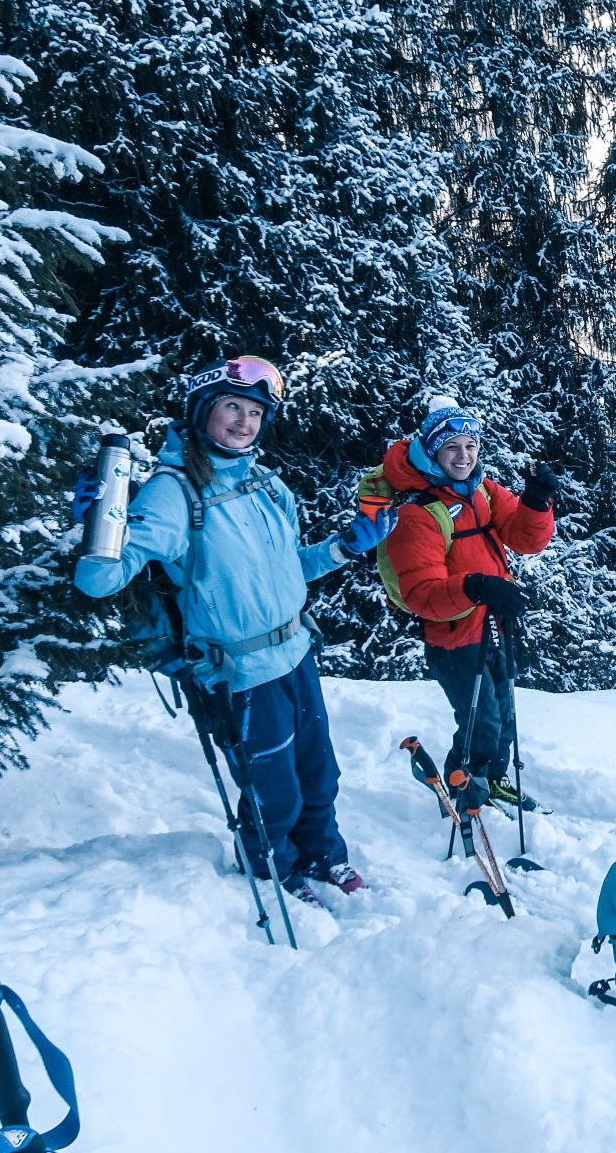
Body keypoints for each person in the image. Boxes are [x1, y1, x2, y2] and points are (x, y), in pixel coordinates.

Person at [72, 356, 396, 908]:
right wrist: (99, 522)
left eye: (254, 411)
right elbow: (100, 581)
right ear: (203, 412)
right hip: (238, 672)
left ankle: (323, 852)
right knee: (273, 789)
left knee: (319, 772)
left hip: (296, 652)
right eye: (232, 408)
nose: (245, 422)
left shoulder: (266, 482)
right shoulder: (174, 494)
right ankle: (276, 868)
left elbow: (290, 565)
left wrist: (346, 545)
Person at [375, 395, 556, 816]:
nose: (464, 455)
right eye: (452, 446)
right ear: (433, 450)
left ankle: (492, 780)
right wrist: (476, 586)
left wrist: (536, 501)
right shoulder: (417, 512)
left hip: (495, 625)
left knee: (504, 715)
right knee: (481, 723)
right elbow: (423, 594)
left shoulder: (483, 491)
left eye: (471, 445)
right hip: (454, 638)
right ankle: (463, 785)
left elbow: (528, 539)